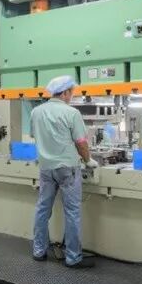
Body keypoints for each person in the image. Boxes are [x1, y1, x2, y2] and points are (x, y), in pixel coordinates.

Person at [30, 75, 99, 268]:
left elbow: (36, 135)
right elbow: (81, 142)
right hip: (67, 169)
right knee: (72, 212)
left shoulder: (36, 112)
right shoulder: (72, 113)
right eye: (72, 93)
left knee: (42, 209)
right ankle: (73, 258)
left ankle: (39, 251)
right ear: (65, 92)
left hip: (45, 168)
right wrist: (88, 160)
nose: (72, 96)